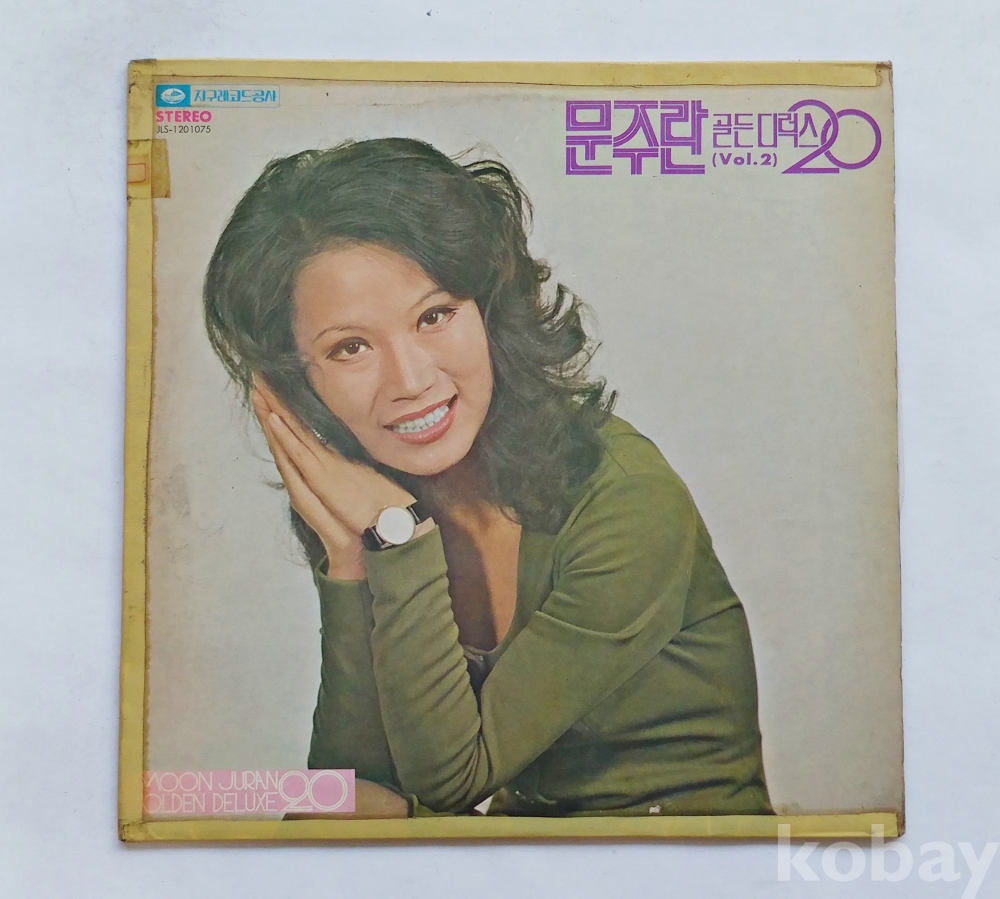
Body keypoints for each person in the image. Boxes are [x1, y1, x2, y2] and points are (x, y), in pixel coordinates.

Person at [203, 137, 771, 818]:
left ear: (489, 311)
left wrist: (396, 537)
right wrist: (352, 561)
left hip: (679, 856)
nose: (411, 380)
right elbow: (347, 793)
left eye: (434, 315)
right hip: (521, 855)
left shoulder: (625, 496)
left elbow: (450, 782)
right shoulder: (379, 504)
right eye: (351, 347)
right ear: (298, 385)